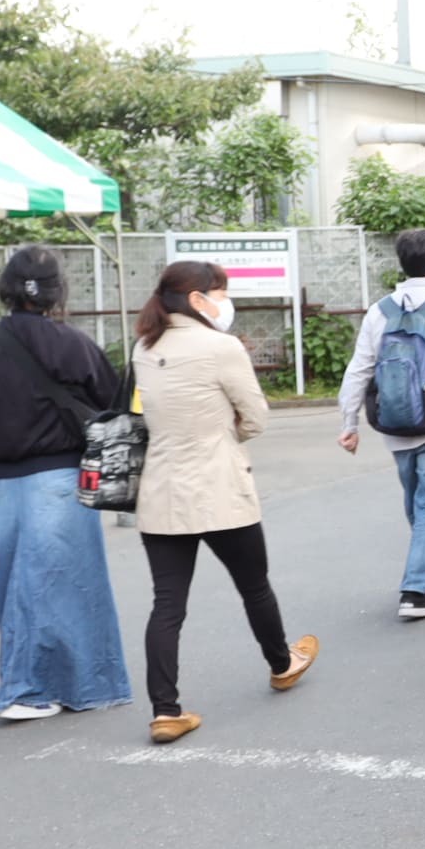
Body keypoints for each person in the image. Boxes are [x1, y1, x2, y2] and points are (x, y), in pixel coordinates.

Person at [132, 260, 316, 743]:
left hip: (162, 493)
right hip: (219, 489)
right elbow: (255, 417)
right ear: (198, 299)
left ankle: (165, 710)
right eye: (221, 293)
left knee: (167, 605)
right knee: (254, 586)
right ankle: (281, 663)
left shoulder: (144, 347)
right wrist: (222, 433)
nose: (225, 302)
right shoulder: (221, 347)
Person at [0, 244, 133, 723]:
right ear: (57, 291)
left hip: (4, 479)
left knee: (20, 580)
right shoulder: (74, 343)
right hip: (60, 473)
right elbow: (111, 403)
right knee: (62, 581)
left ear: (6, 289)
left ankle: (33, 681)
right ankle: (35, 688)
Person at [337, 227, 425, 621]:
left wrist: (349, 422)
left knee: (420, 501)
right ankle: (414, 590)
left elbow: (360, 368)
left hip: (396, 425)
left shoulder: (379, 311)